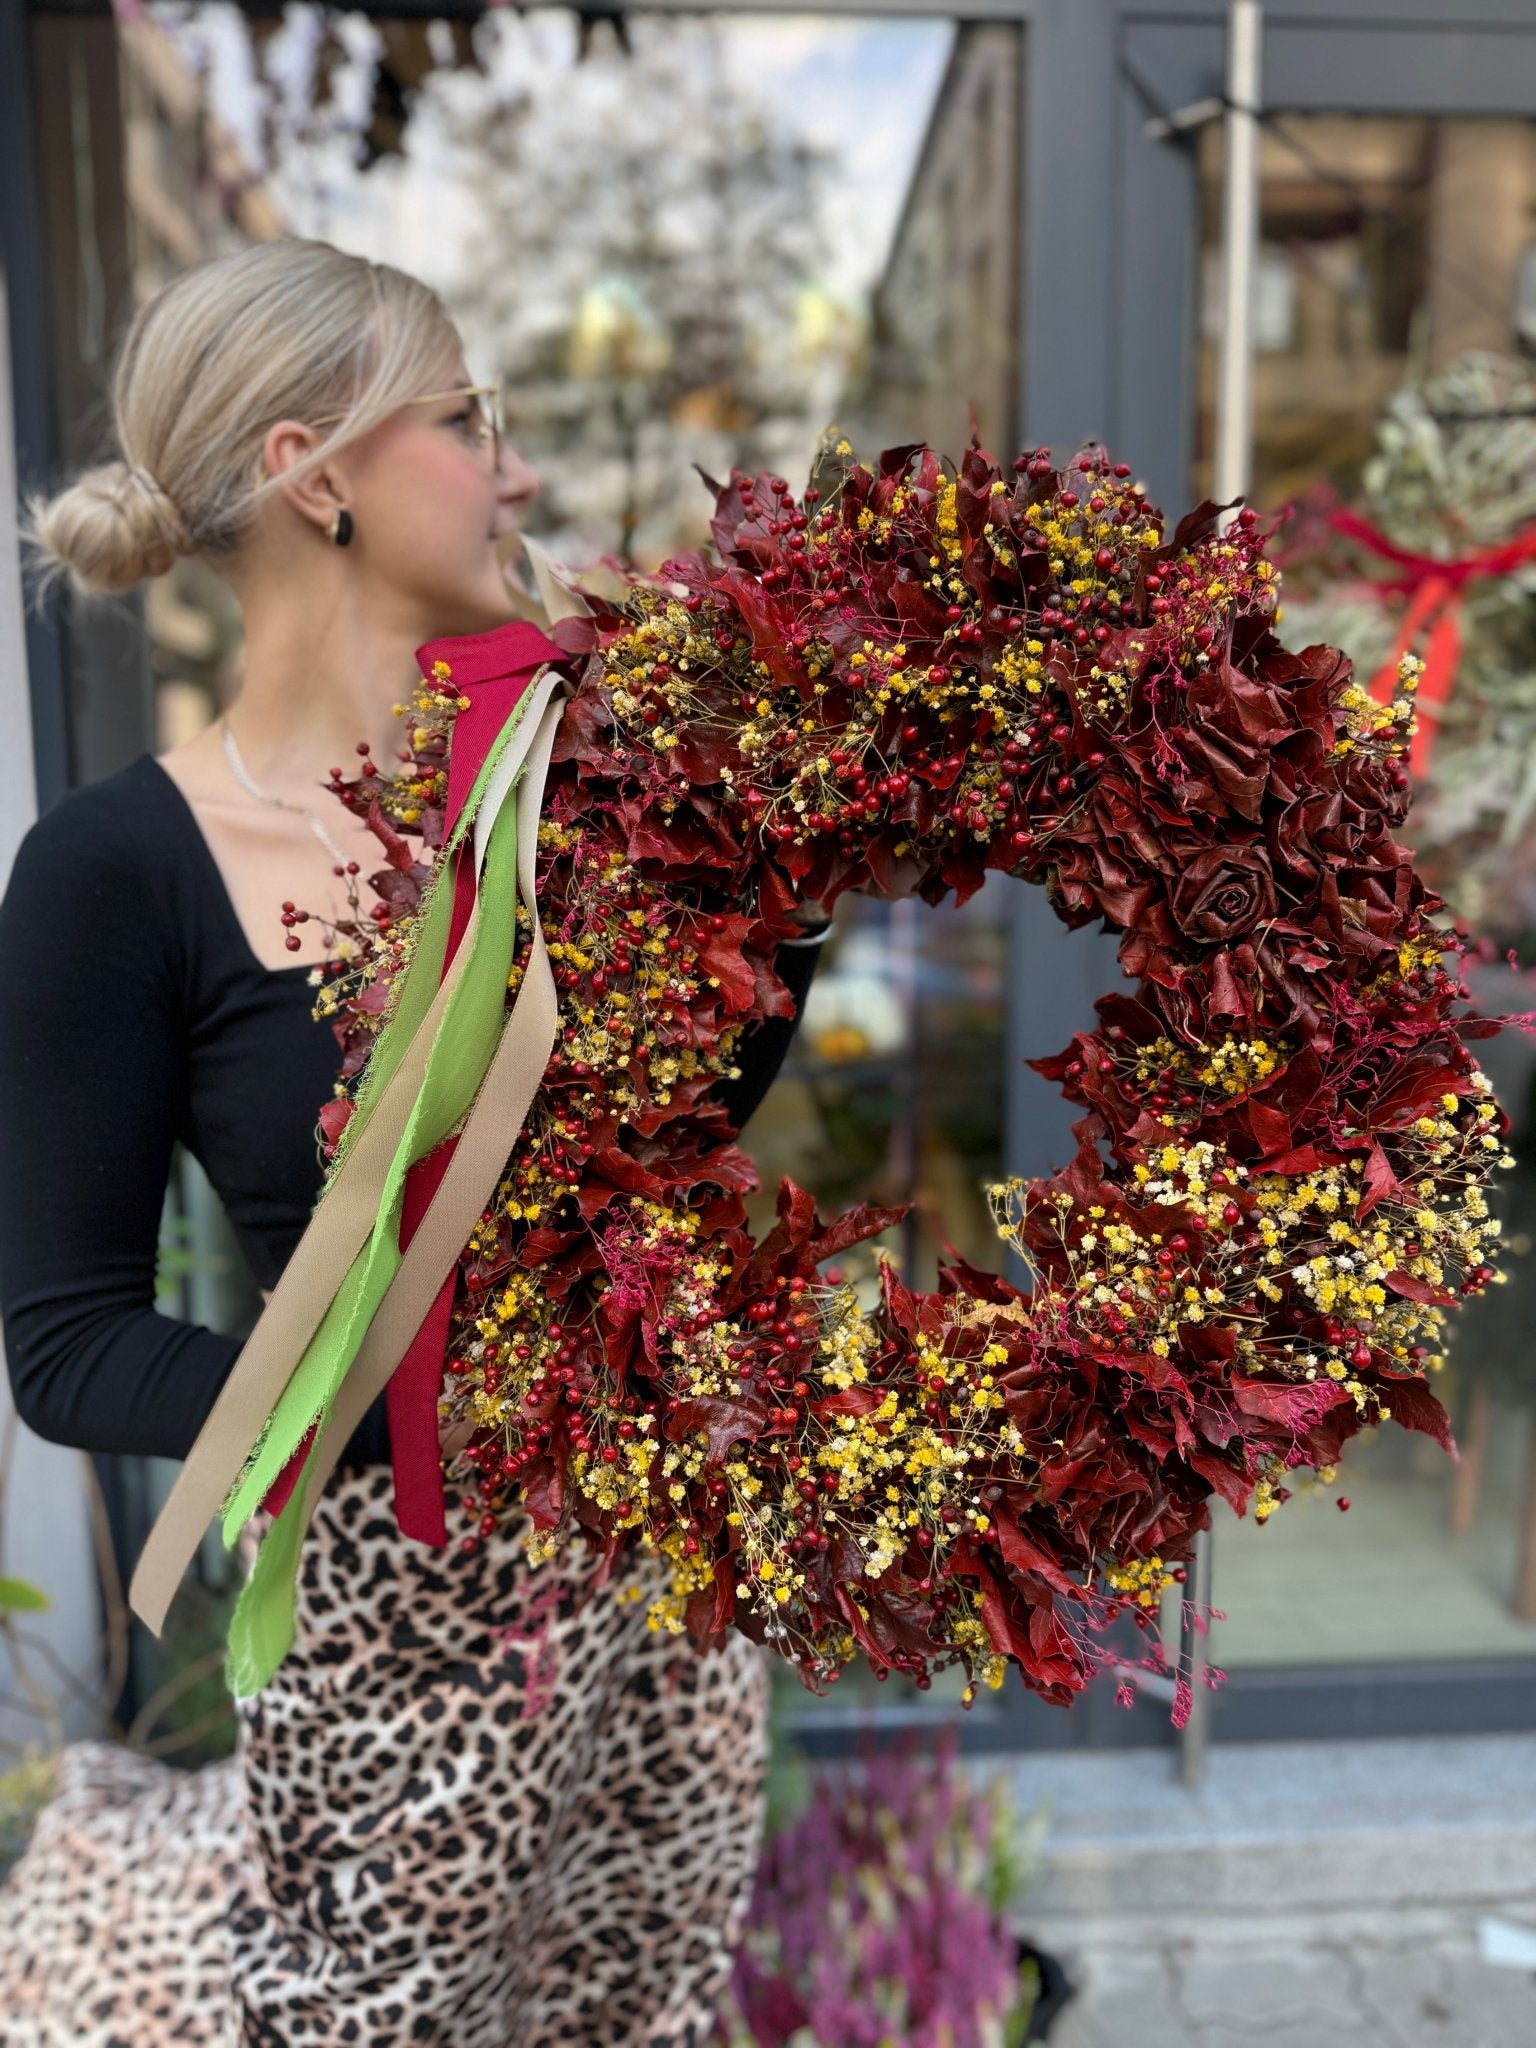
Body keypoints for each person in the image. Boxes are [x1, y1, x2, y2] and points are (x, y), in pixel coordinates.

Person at [0, 238, 827, 2047]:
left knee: (642, 1997)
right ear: (318, 471)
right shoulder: (116, 871)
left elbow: (678, 1129)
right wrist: (451, 1414)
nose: (516, 471)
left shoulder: (584, 777)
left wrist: (792, 904)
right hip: (391, 1607)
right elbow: (65, 1345)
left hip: (667, 1567)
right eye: (469, 418)